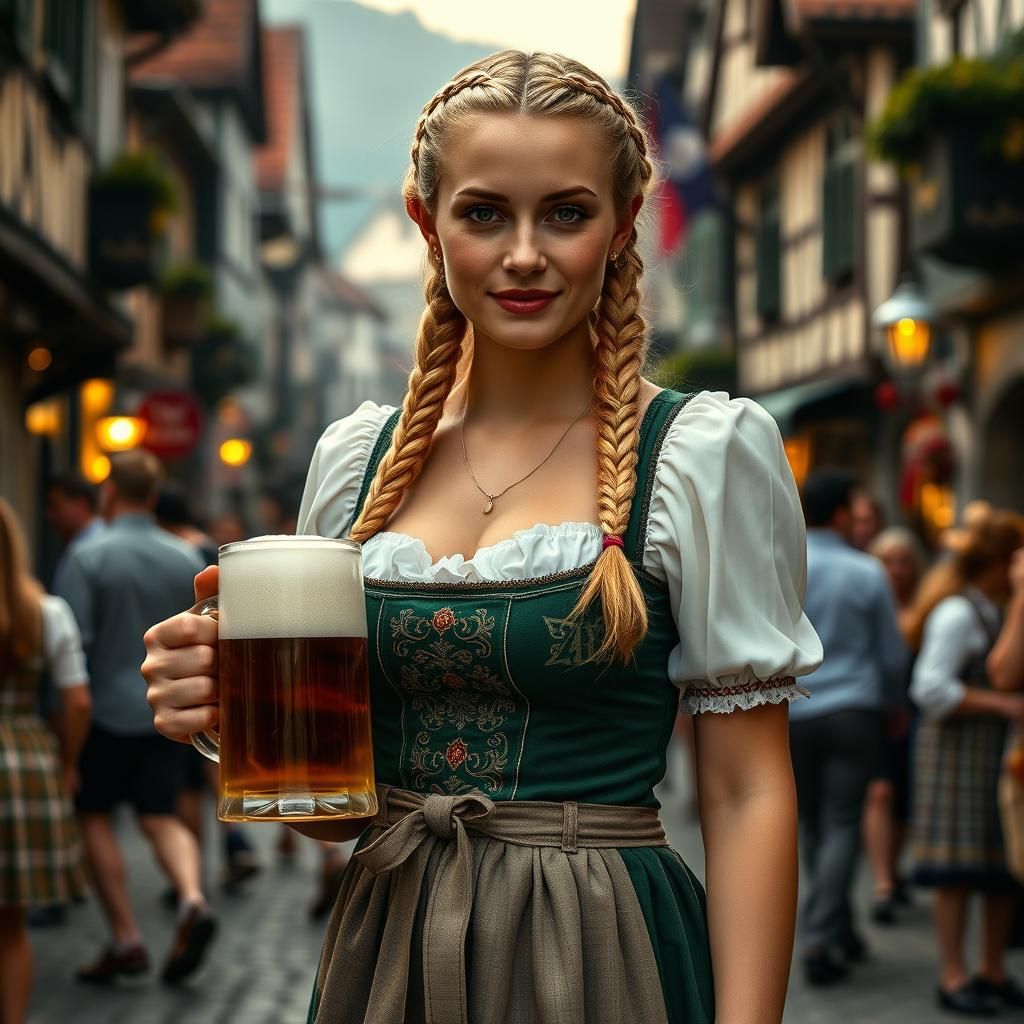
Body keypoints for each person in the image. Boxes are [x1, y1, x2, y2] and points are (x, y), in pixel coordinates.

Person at [142, 50, 823, 1023]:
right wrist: (226, 715)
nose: (522, 255)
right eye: (483, 212)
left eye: (566, 212)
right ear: (428, 224)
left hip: (601, 946)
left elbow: (749, 789)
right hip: (392, 941)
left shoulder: (699, 454)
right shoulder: (357, 462)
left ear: (623, 223)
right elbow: (335, 819)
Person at [57, 451, 218, 985]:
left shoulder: (87, 555)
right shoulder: (184, 555)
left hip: (103, 710)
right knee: (161, 815)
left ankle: (125, 935)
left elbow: (72, 643)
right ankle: (193, 898)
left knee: (95, 815)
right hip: (168, 711)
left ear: (108, 493)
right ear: (152, 496)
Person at [788, 469, 909, 985]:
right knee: (842, 822)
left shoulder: (781, 566)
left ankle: (835, 926)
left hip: (793, 710)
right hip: (855, 711)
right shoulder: (866, 572)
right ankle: (822, 935)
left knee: (814, 823)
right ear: (841, 513)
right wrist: (896, 704)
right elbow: (892, 653)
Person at [907, 510, 1024, 1016]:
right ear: (997, 565)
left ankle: (992, 969)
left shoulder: (991, 608)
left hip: (987, 754)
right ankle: (954, 975)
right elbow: (929, 689)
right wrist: (1003, 705)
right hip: (954, 753)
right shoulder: (957, 613)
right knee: (954, 869)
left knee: (997, 867)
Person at [0, 498, 92, 1024]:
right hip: (23, 761)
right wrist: (67, 763)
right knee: (11, 927)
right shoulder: (45, 612)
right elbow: (76, 701)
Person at [154, 486, 261, 892]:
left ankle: (190, 881)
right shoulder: (198, 554)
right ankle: (234, 844)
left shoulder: (184, 554)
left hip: (195, 683)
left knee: (189, 784)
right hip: (194, 683)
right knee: (209, 770)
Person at [864, 527, 928, 924]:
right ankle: (883, 882)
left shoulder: (926, 607)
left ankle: (893, 868)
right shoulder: (869, 603)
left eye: (903, 561)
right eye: (888, 561)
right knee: (881, 791)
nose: (896, 570)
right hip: (877, 709)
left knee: (903, 794)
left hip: (913, 711)